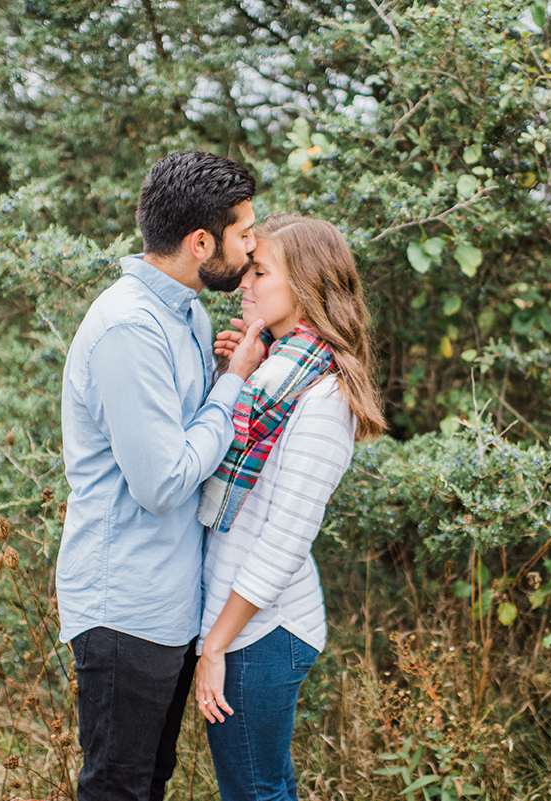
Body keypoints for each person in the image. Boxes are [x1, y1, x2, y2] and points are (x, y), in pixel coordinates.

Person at [56, 151, 268, 801]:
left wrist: (222, 377)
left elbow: (188, 430)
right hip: (125, 604)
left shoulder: (191, 315)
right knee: (118, 787)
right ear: (200, 242)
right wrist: (230, 386)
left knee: (150, 780)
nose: (254, 244)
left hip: (172, 603)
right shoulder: (129, 327)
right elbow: (163, 481)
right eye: (244, 232)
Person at [193, 214, 387, 801]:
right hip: (241, 622)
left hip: (260, 632)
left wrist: (215, 646)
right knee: (264, 787)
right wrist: (232, 373)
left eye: (259, 271)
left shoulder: (322, 394)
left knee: (255, 793)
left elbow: (284, 539)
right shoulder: (272, 374)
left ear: (303, 285)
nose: (243, 283)